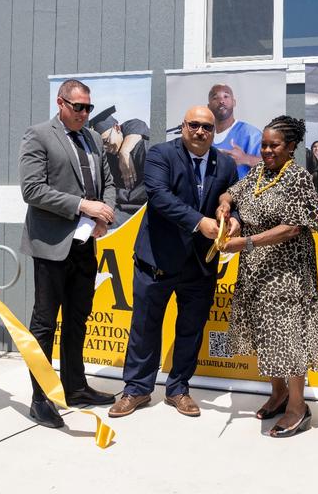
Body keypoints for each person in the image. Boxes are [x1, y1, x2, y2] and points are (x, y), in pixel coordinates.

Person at [109, 106, 240, 418]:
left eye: (207, 127)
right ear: (183, 126)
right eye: (194, 125)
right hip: (157, 259)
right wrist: (199, 222)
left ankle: (178, 388)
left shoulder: (225, 164)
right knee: (144, 328)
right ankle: (137, 389)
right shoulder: (160, 155)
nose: (200, 132)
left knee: (191, 329)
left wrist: (233, 219)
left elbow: (233, 203)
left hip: (200, 264)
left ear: (214, 132)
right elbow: (159, 196)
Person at [219, 116, 318, 438]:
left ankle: (298, 406)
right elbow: (233, 192)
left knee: (288, 338)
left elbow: (293, 227)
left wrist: (244, 241)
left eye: (274, 146)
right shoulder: (258, 173)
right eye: (264, 145)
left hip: (288, 273)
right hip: (256, 270)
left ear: (290, 147)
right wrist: (225, 207)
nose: (268, 150)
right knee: (264, 334)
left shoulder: (298, 178)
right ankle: (278, 392)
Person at [18, 79, 117, 429]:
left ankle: (75, 387)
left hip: (85, 244)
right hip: (51, 246)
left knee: (78, 318)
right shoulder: (39, 134)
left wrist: (104, 214)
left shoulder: (92, 138)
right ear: (61, 103)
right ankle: (40, 398)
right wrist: (81, 206)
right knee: (45, 324)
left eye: (88, 107)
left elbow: (109, 183)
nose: (85, 114)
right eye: (79, 107)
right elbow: (32, 189)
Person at [89, 110, 150, 226]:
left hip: (143, 208)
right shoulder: (107, 158)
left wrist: (124, 152)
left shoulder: (142, 148)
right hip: (120, 208)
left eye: (106, 141)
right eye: (101, 146)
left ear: (117, 128)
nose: (106, 148)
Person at [208, 84, 262, 178]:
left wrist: (246, 159)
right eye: (215, 98)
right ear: (208, 107)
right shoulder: (205, 135)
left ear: (234, 102)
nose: (221, 101)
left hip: (242, 192)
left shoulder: (251, 134)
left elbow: (273, 166)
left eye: (226, 96)